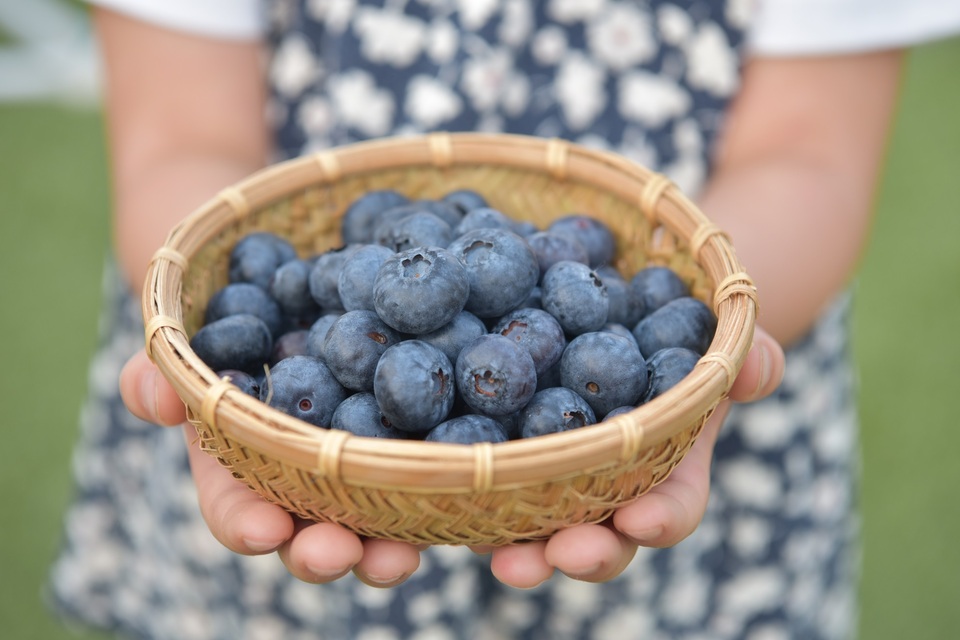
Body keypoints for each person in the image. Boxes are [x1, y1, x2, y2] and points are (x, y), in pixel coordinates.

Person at [46, 1, 960, 639]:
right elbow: (180, 139)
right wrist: (211, 367)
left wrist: (723, 327)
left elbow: (808, 157)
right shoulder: (343, 321)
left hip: (663, 473)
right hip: (289, 478)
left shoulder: (555, 321)